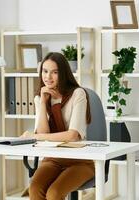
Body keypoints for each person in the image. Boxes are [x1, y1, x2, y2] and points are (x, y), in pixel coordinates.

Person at [21, 52, 94, 200]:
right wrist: (42, 103)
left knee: (54, 194)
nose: (48, 77)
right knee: (34, 189)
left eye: (54, 72)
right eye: (45, 71)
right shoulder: (39, 98)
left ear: (64, 74)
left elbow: (73, 136)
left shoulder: (78, 94)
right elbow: (43, 134)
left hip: (80, 161)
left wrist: (34, 136)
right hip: (53, 159)